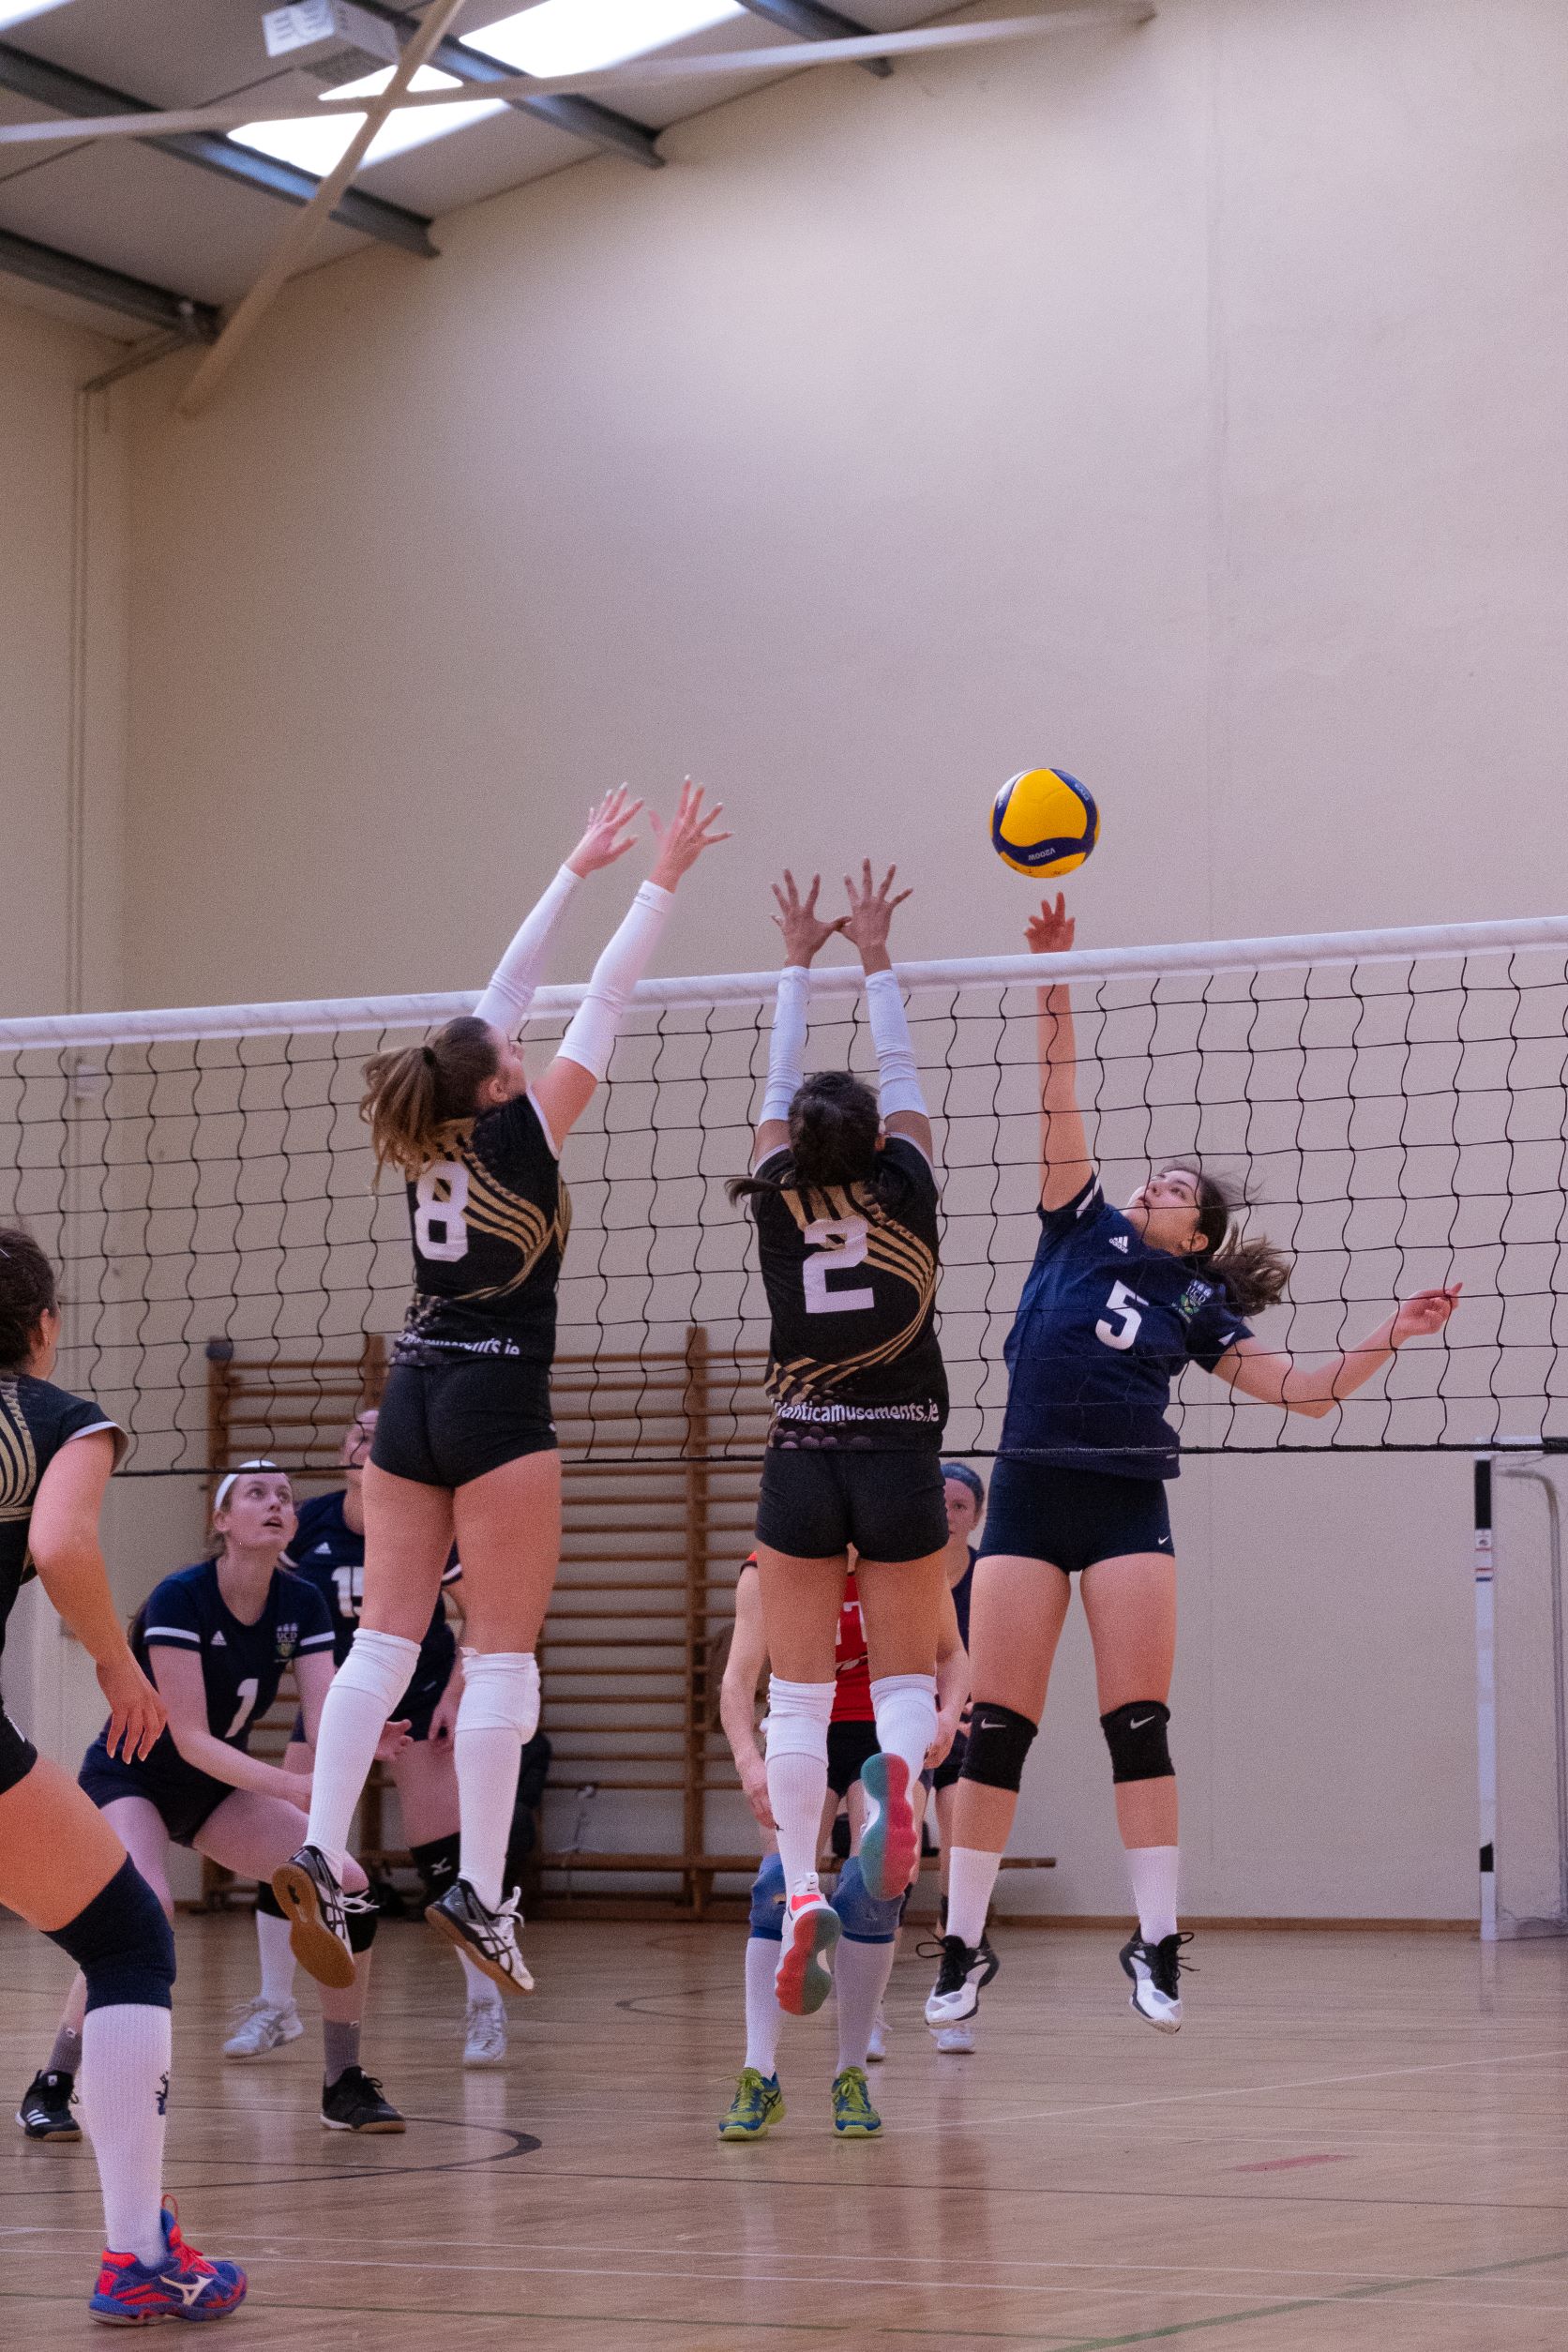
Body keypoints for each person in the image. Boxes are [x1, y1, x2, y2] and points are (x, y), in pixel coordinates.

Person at [928, 895, 1463, 2036]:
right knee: (997, 1728)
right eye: (1154, 1178)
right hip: (1027, 1492)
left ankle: (1157, 1939)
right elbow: (1057, 1093)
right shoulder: (1076, 1223)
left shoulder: (1197, 1304)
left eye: (1176, 1190)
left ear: (1200, 1234)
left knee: (1137, 1722)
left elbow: (1304, 1393)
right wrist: (1053, 973)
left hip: (1125, 1504)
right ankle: (961, 1945)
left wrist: (1391, 1333)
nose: (1153, 1187)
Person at [278, 783, 729, 1998]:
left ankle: (321, 1851)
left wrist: (574, 865)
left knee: (383, 1640)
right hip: (496, 1404)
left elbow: (500, 995)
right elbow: (605, 998)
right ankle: (479, 1889)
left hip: (411, 1390)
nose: (523, 1052)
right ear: (495, 1085)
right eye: (514, 1058)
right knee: (502, 1655)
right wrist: (659, 878)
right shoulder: (524, 1131)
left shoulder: (425, 1131)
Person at [0, 1229, 245, 2324]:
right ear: (44, 1327)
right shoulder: (62, 1420)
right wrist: (114, 1661)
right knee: (127, 1942)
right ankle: (136, 2256)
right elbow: (62, 1546)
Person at [26, 1461, 406, 2133]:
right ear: (222, 1520)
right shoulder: (181, 1597)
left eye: (285, 1496)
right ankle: (53, 2083)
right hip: (132, 1778)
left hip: (213, 1793)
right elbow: (192, 1739)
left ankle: (343, 2082)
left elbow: (324, 1717)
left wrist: (359, 1736)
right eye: (257, 1493)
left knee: (346, 1885)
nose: (276, 1503)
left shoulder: (303, 1603)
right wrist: (291, 1785)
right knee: (145, 1910)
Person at [730, 863, 950, 2020]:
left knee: (798, 1699)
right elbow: (901, 1074)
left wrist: (794, 962)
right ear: (873, 1140)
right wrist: (873, 956)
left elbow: (775, 1090)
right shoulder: (904, 1182)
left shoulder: (775, 1193)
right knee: (904, 1679)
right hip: (901, 1450)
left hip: (802, 1454)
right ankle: (897, 1789)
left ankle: (803, 1884)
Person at [226, 1410, 508, 2069]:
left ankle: (485, 2006)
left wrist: (455, 1694)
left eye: (384, 1434)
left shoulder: (426, 1523)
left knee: (445, 1859)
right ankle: (276, 2004)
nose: (368, 1441)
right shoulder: (309, 1525)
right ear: (342, 1451)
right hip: (339, 1701)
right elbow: (268, 1602)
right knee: (289, 1843)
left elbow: (483, 1614)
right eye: (359, 1432)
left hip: (419, 1695)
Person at [716, 1551, 966, 2140]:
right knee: (776, 1889)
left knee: (873, 1891)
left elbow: (951, 1653)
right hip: (801, 1725)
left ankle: (851, 2072)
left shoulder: (904, 1555)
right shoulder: (772, 1564)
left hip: (886, 1728)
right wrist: (748, 1762)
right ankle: (758, 2072)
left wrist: (947, 1716)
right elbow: (738, 1676)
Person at [925, 1461, 996, 2053]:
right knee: (889, 1856)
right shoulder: (902, 1571)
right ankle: (869, 2010)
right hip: (901, 1722)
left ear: (976, 1516)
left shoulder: (990, 1577)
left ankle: (955, 1988)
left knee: (959, 1841)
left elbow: (1003, 1656)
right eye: (940, 1503)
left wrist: (976, 1706)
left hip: (963, 1724)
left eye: (960, 1506)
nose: (948, 1515)